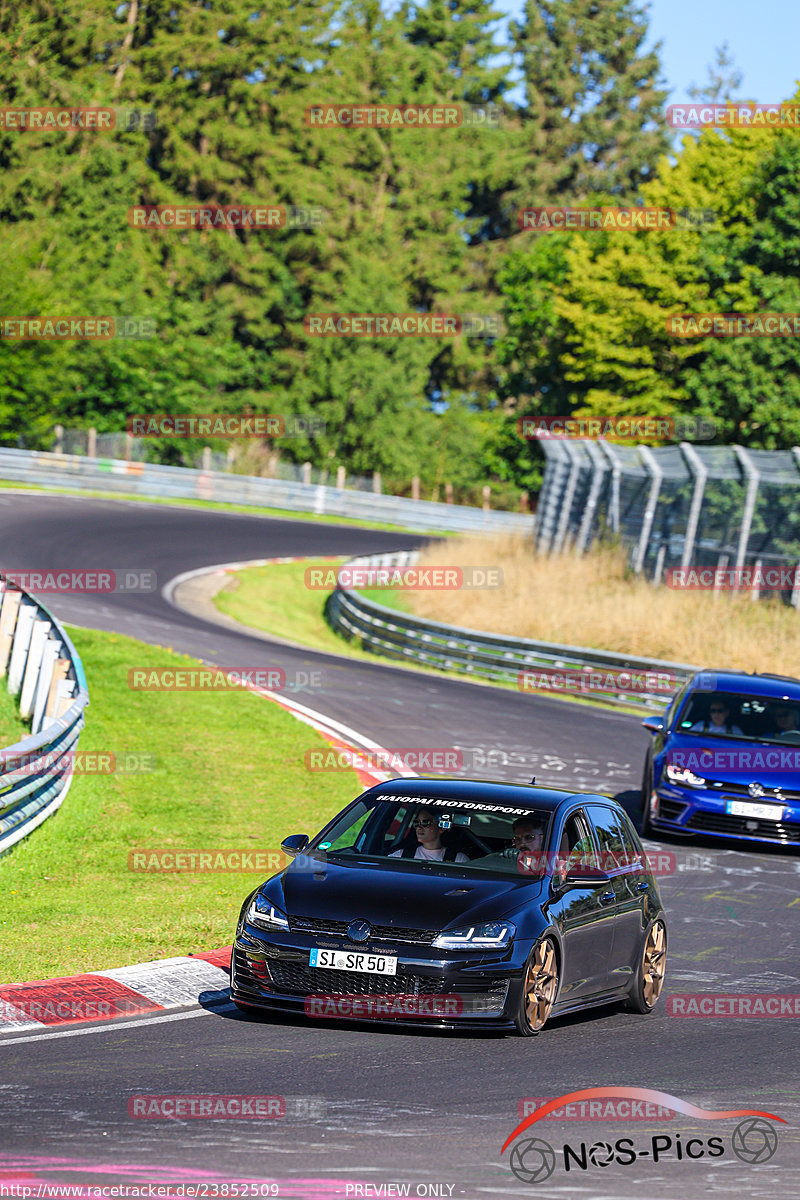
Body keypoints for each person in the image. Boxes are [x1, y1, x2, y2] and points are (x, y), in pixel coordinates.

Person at [388, 807, 469, 863]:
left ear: (441, 828)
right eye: (416, 823)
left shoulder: (458, 860)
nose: (419, 827)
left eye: (425, 823)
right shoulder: (401, 856)